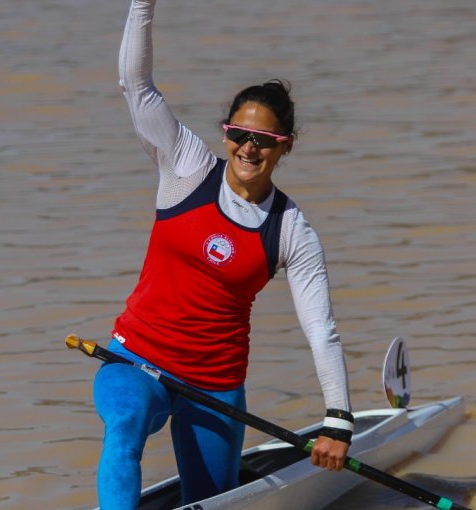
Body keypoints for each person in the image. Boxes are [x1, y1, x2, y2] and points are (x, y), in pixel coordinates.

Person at [92, 0, 353, 507]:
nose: (248, 148)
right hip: (136, 357)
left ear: (286, 146)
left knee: (212, 497)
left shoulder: (292, 232)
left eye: (264, 139)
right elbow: (136, 85)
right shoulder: (186, 166)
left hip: (214, 381)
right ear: (226, 132)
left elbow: (321, 330)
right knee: (124, 425)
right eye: (238, 134)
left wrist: (337, 420)